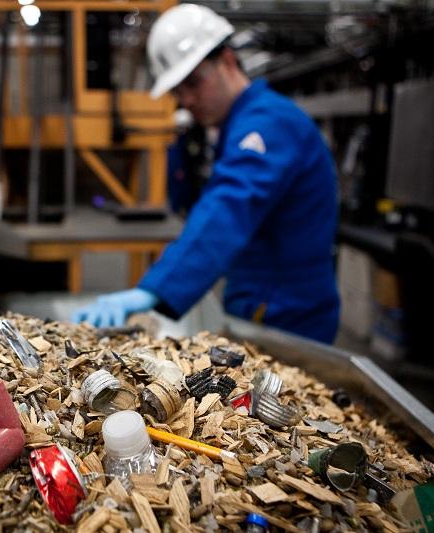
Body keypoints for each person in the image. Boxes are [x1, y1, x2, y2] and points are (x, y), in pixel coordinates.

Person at [71, 3, 340, 343]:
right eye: (177, 92)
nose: (187, 100)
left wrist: (155, 289)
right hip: (258, 302)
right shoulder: (236, 125)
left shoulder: (269, 124)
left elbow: (229, 207)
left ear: (227, 61)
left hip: (288, 315)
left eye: (194, 83)